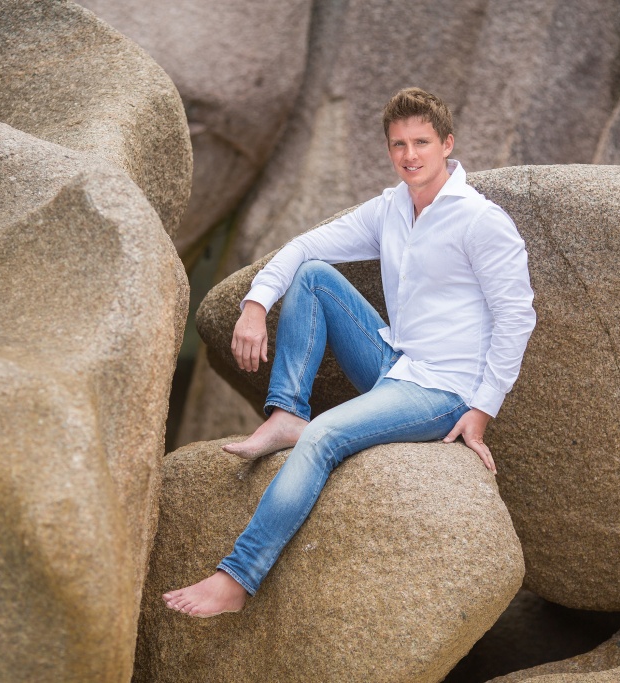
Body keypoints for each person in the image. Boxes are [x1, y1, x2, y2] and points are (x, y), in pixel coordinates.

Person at [163, 87, 536, 617]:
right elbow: (304, 247)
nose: (409, 155)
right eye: (399, 144)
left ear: (447, 144)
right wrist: (255, 304)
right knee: (314, 276)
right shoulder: (391, 209)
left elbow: (517, 316)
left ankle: (238, 578)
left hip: (442, 391)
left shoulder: (480, 221)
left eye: (422, 142)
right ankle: (287, 411)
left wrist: (482, 409)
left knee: (324, 437)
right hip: (394, 363)